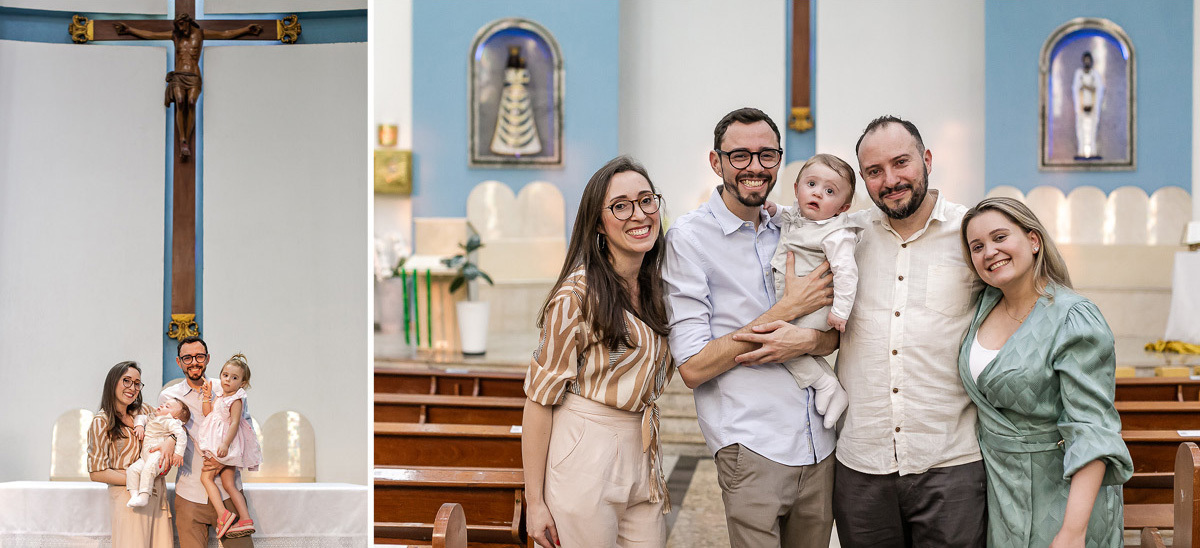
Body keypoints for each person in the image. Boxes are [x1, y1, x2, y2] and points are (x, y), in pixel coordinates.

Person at [663, 107, 838, 547]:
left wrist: (809, 338)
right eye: (739, 156)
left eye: (767, 155)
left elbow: (833, 331)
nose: (755, 167)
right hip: (753, 445)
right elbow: (692, 366)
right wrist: (784, 310)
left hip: (821, 441)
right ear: (716, 161)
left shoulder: (795, 225)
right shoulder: (688, 239)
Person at [831, 115, 986, 547]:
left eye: (901, 163)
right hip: (863, 462)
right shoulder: (847, 237)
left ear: (927, 159)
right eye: (875, 171)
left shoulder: (970, 233)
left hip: (950, 462)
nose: (891, 180)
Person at [959, 197, 1132, 547]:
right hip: (1001, 492)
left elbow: (1092, 429)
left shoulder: (1073, 317)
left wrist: (1072, 531)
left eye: (1000, 237)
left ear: (1033, 241)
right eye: (977, 246)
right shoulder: (982, 306)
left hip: (1064, 493)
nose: (989, 252)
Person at [522, 156, 675, 548]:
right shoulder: (575, 296)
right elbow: (539, 401)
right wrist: (535, 503)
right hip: (585, 448)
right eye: (620, 206)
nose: (638, 214)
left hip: (641, 447)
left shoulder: (661, 288)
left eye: (646, 200)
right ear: (597, 224)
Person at [769, 153, 860, 427]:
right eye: (811, 184)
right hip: (793, 301)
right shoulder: (797, 215)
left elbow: (847, 273)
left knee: (780, 344)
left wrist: (840, 312)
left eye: (829, 191)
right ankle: (832, 386)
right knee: (795, 349)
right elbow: (787, 214)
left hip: (816, 307)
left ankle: (823, 383)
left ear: (843, 207)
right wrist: (774, 211)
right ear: (797, 187)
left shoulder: (835, 234)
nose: (817, 193)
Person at [113, 14, 262, 161]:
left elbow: (225, 33)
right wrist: (130, 30)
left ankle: (187, 140)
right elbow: (152, 34)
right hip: (179, 75)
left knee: (191, 102)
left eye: (182, 25)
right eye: (178, 26)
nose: (180, 29)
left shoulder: (201, 34)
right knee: (179, 101)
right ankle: (182, 139)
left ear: (188, 22)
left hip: (194, 77)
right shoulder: (175, 36)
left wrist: (246, 30)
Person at [160, 336, 257, 547]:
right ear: (179, 362)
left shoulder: (228, 387)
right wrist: (167, 440)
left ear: (208, 358)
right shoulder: (169, 396)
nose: (194, 362)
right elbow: (163, 431)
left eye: (199, 356)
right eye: (187, 357)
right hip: (190, 493)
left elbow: (247, 433)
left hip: (227, 490)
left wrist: (224, 461)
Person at [86, 361, 175, 546]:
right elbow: (97, 472)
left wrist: (171, 441)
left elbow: (173, 426)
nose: (132, 387)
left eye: (137, 383)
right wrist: (141, 479)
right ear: (113, 382)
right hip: (128, 498)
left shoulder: (146, 411)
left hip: (157, 496)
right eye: (126, 381)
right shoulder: (101, 422)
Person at [196, 353, 262, 538]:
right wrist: (207, 397)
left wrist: (225, 444)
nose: (228, 380)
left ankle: (223, 515)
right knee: (228, 484)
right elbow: (208, 413)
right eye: (225, 375)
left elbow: (234, 423)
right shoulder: (220, 396)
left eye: (234, 378)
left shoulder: (236, 399)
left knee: (206, 478)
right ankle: (246, 519)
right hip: (222, 447)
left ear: (242, 383)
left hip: (224, 446)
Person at [126, 398, 189, 508]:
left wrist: (179, 453)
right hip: (145, 456)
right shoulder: (153, 418)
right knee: (132, 470)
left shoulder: (170, 422)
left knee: (148, 469)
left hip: (159, 455)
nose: (162, 405)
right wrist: (139, 425)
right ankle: (134, 495)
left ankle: (144, 497)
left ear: (175, 417)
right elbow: (140, 417)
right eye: (164, 403)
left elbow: (181, 435)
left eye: (167, 406)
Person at [1072, 51, 1104, 159]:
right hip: (1081, 107)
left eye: (1088, 60)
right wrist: (1084, 88)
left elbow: (1099, 88)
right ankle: (1081, 152)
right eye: (1085, 60)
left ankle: (1092, 152)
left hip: (1093, 107)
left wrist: (1090, 88)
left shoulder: (1095, 74)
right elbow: (1076, 88)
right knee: (1081, 130)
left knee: (1092, 130)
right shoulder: (1079, 74)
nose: (1087, 62)